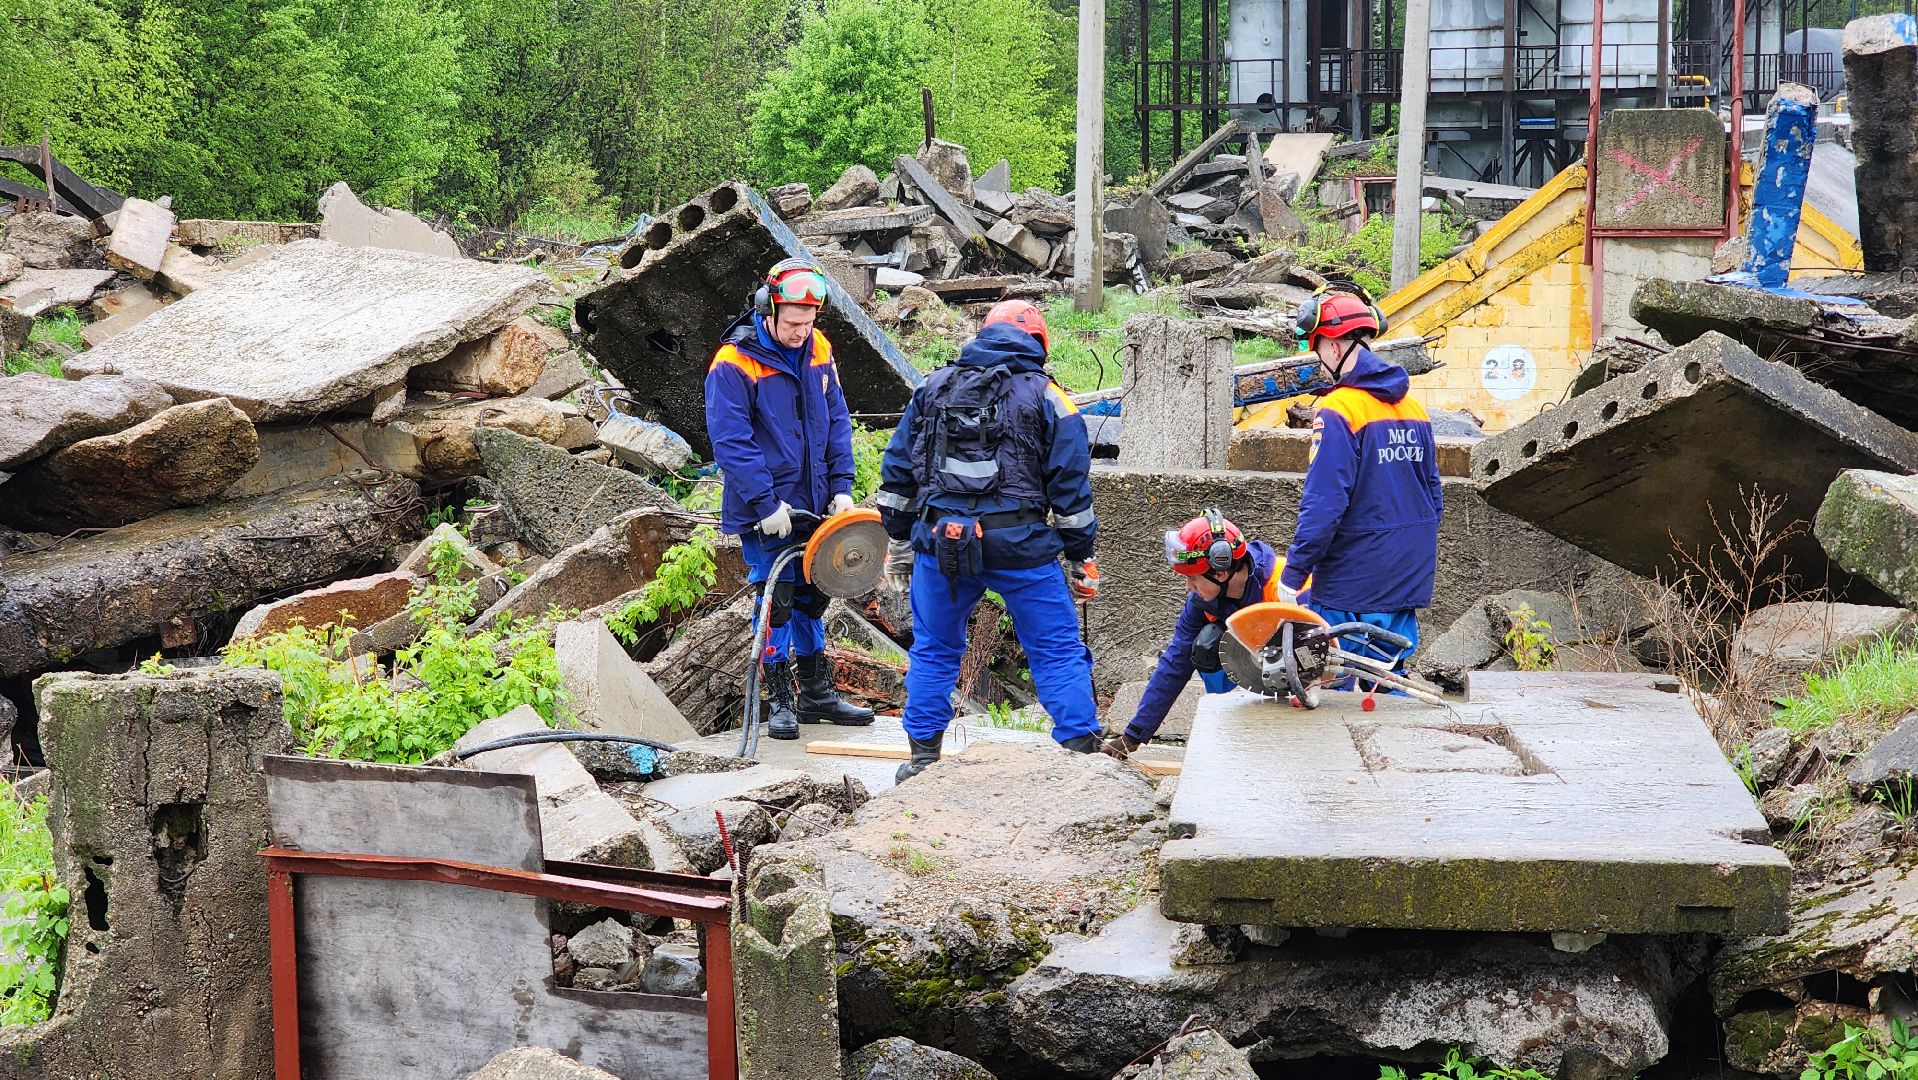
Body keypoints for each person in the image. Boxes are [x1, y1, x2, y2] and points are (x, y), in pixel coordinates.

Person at [874, 299, 1102, 782]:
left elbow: (896, 474)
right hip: (1021, 547)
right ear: (1038, 343)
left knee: (934, 649)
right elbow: (1070, 486)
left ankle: (921, 759)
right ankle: (1081, 756)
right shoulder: (1048, 396)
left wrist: (898, 542)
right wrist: (1082, 556)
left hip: (943, 544)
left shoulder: (931, 387)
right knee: (1057, 649)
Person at [704, 257, 875, 740]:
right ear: (768, 308)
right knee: (775, 598)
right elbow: (731, 442)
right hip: (767, 509)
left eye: (810, 321)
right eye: (794, 322)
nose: (803, 331)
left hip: (817, 501)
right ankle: (779, 698)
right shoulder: (734, 362)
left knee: (814, 593)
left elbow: (837, 418)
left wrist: (842, 486)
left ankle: (817, 696)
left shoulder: (818, 348)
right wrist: (764, 503)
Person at [1276, 287, 1442, 682]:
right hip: (1407, 569)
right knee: (1389, 676)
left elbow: (1324, 504)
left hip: (1355, 575)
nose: (1319, 360)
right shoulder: (1413, 407)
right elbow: (1433, 494)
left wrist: (1294, 574)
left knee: (1341, 682)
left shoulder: (1339, 409)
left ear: (1333, 347)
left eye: (1318, 349)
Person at [1102, 511, 1291, 756]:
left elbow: (1332, 658)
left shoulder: (1286, 586)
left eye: (1192, 578)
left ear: (1221, 573)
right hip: (1262, 667)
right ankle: (1235, 723)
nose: (1188, 587)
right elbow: (1175, 662)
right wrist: (1134, 735)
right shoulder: (1202, 601)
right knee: (1206, 645)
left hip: (1307, 676)